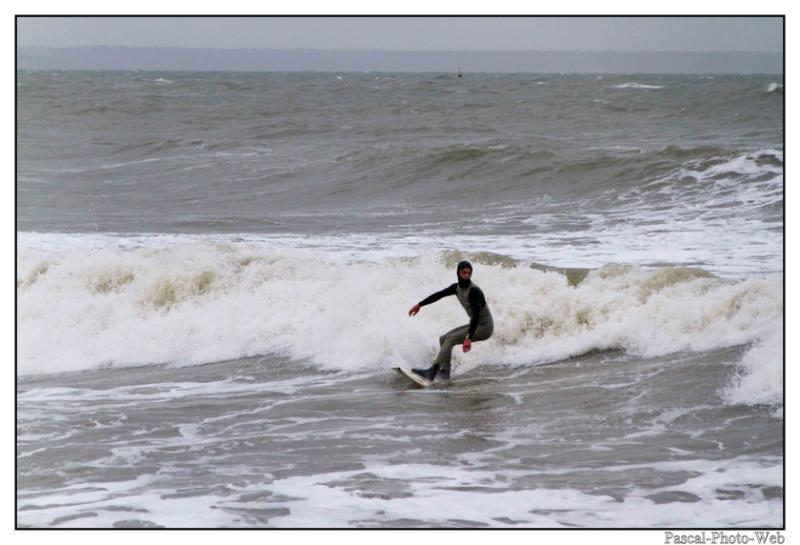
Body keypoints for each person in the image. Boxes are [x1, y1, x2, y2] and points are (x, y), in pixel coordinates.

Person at [407, 260, 494, 381]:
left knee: (451, 339)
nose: (467, 275)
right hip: (476, 325)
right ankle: (445, 372)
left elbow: (476, 316)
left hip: (485, 327)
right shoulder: (456, 288)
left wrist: (468, 337)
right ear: (458, 273)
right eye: (464, 272)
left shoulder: (474, 291)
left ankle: (433, 371)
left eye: (469, 273)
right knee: (443, 338)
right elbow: (439, 294)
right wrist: (420, 305)